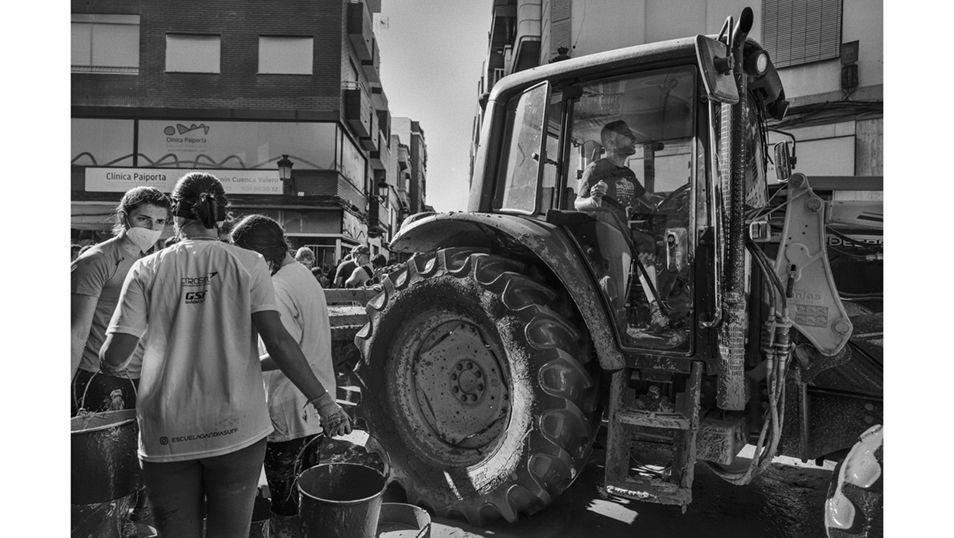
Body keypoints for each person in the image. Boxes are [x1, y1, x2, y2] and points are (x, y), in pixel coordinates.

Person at [99, 172, 351, 538]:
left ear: (175, 217)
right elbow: (280, 342)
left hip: (166, 428)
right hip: (236, 429)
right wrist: (326, 404)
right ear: (222, 217)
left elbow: (115, 358)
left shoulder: (146, 268)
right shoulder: (250, 264)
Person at [231, 215, 336, 524]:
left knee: (286, 508)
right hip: (310, 409)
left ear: (259, 256)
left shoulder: (276, 288)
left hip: (288, 409)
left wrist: (242, 366)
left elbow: (281, 352)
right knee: (308, 499)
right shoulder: (303, 274)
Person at [71, 186, 171, 414]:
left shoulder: (152, 262)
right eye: (143, 219)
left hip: (140, 375)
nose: (152, 228)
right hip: (96, 374)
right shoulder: (97, 260)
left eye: (160, 222)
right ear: (123, 217)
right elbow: (75, 332)